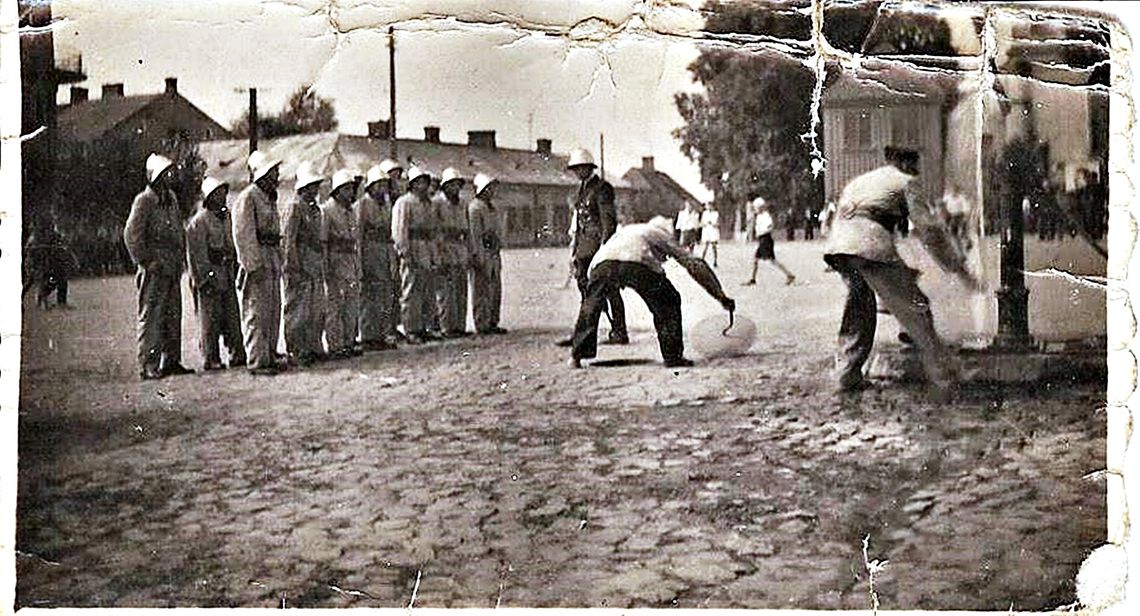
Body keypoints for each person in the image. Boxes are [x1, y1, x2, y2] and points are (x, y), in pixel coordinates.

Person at [824, 146, 967, 394]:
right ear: (904, 163)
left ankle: (846, 373)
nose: (917, 171)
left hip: (839, 245)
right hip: (869, 245)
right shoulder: (906, 182)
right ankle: (945, 377)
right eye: (914, 165)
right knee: (916, 307)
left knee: (859, 308)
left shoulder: (864, 180)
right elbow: (929, 230)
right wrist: (955, 265)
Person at [569, 216, 735, 369]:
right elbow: (694, 264)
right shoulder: (660, 233)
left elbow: (595, 270)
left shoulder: (626, 231)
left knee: (590, 306)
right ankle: (673, 357)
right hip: (636, 262)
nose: (665, 259)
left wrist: (595, 294)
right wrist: (720, 295)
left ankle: (576, 355)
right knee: (669, 300)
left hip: (601, 266)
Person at [123, 153, 193, 380]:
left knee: (173, 316)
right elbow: (131, 235)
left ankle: (171, 360)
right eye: (165, 174)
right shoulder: (144, 201)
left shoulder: (170, 198)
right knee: (152, 317)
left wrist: (181, 258)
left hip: (171, 268)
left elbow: (178, 231)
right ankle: (148, 364)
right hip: (154, 269)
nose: (169, 177)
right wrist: (146, 260)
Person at [558, 148, 627, 347]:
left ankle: (619, 331)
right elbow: (579, 223)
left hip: (598, 247)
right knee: (585, 291)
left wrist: (606, 247)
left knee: (610, 289)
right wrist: (575, 250)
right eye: (575, 169)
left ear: (589, 167)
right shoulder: (581, 190)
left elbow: (608, 221)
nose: (578, 172)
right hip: (583, 248)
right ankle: (584, 333)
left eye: (581, 168)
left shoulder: (602, 188)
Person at [232, 150, 286, 376]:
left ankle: (270, 354)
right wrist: (253, 265)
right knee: (256, 312)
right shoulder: (247, 198)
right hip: (258, 260)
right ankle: (257, 359)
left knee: (273, 310)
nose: (277, 175)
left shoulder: (270, 197)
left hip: (272, 257)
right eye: (273, 171)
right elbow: (244, 234)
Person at [185, 177, 247, 371]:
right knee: (209, 320)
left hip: (226, 273)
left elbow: (234, 244)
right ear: (209, 197)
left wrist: (235, 266)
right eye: (218, 194)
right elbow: (196, 254)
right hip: (210, 275)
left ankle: (237, 353)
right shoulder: (199, 222)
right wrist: (204, 277)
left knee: (231, 316)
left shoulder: (227, 217)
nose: (222, 197)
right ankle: (211, 358)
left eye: (223, 193)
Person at [280, 162, 327, 366]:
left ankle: (313, 347)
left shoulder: (315, 210)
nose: (315, 189)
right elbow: (289, 241)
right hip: (299, 267)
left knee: (316, 310)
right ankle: (296, 350)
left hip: (314, 266)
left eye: (316, 185)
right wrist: (293, 267)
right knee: (298, 311)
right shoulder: (294, 208)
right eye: (312, 185)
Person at [356, 165, 399, 350]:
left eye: (384, 185)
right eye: (378, 185)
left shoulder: (387, 205)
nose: (382, 189)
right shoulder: (362, 205)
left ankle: (381, 334)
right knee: (369, 297)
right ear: (371, 187)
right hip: (369, 253)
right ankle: (368, 336)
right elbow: (358, 235)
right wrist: (359, 261)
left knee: (385, 295)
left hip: (385, 252)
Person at [392, 166, 436, 344]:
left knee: (427, 290)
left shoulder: (428, 204)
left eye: (425, 182)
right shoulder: (404, 202)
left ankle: (424, 327)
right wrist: (405, 252)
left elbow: (434, 231)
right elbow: (399, 230)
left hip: (426, 249)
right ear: (412, 185)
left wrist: (434, 253)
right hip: (413, 248)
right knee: (411, 290)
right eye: (419, 182)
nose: (423, 186)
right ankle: (411, 328)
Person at [322, 170, 363, 359]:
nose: (350, 193)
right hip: (336, 263)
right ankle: (335, 345)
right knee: (335, 307)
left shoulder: (351, 211)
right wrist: (326, 267)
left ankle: (348, 342)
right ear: (337, 191)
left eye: (351, 189)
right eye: (346, 189)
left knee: (350, 306)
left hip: (351, 262)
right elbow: (324, 242)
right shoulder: (327, 211)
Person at [432, 167, 472, 337]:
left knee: (460, 290)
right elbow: (434, 231)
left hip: (460, 249)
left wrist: (469, 252)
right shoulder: (437, 203)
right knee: (445, 292)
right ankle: (446, 326)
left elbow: (467, 230)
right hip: (445, 249)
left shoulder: (463, 204)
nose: (455, 188)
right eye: (451, 185)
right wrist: (438, 255)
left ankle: (459, 326)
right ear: (445, 186)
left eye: (457, 185)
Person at [469, 173, 507, 335]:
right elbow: (474, 234)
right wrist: (477, 255)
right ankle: (482, 323)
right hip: (482, 251)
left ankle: (493, 321)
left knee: (495, 288)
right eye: (489, 188)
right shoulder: (475, 208)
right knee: (481, 289)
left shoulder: (492, 207)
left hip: (493, 252)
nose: (492, 191)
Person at [742, 196, 795, 286]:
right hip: (762, 239)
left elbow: (770, 227)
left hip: (765, 239)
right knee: (756, 259)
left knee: (772, 260)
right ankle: (753, 278)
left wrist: (762, 231)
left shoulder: (765, 216)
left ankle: (789, 274)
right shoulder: (759, 216)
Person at [699, 202, 720, 267]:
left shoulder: (716, 214)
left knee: (714, 247)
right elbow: (701, 223)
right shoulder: (705, 213)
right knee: (705, 246)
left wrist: (713, 224)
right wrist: (705, 224)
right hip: (707, 230)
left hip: (713, 231)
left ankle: (715, 260)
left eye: (710, 206)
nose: (709, 207)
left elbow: (718, 224)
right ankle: (702, 259)